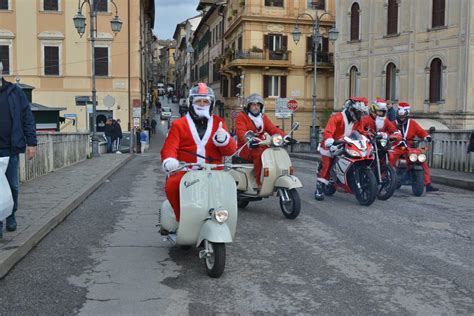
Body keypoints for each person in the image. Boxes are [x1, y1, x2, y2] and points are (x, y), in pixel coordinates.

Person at [161, 83, 236, 222]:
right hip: (186, 170)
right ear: (191, 103)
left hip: (214, 171)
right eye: (198, 101)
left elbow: (230, 151)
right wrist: (170, 161)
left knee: (229, 191)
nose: (202, 104)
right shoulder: (179, 124)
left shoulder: (219, 123)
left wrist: (224, 140)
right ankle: (180, 219)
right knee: (172, 185)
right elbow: (169, 148)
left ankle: (222, 218)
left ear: (211, 103)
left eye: (205, 101)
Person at [0, 75, 37, 238]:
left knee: (13, 185)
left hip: (11, 148)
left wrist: (32, 143)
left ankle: (11, 213)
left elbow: (27, 117)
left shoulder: (15, 92)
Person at [315, 97, 368, 200]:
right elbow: (328, 132)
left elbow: (361, 132)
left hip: (348, 144)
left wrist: (368, 137)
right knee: (327, 165)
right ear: (351, 110)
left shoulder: (357, 121)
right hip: (331, 145)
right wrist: (330, 142)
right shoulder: (337, 118)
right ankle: (319, 189)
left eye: (362, 113)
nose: (360, 115)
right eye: (359, 112)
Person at [235, 93, 289, 187]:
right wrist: (248, 138)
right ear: (248, 106)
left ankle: (273, 176)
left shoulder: (263, 117)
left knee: (272, 152)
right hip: (245, 147)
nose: (256, 107)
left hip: (260, 144)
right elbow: (241, 131)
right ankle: (259, 181)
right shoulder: (242, 116)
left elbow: (273, 129)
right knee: (259, 154)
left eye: (258, 105)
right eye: (253, 104)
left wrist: (285, 137)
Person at [389, 102, 439, 192]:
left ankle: (427, 184)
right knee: (390, 158)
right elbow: (387, 133)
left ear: (407, 115)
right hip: (397, 146)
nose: (401, 118)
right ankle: (383, 177)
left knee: (421, 159)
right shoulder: (392, 123)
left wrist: (426, 136)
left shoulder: (412, 123)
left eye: (403, 116)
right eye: (400, 116)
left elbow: (420, 131)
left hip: (410, 147)